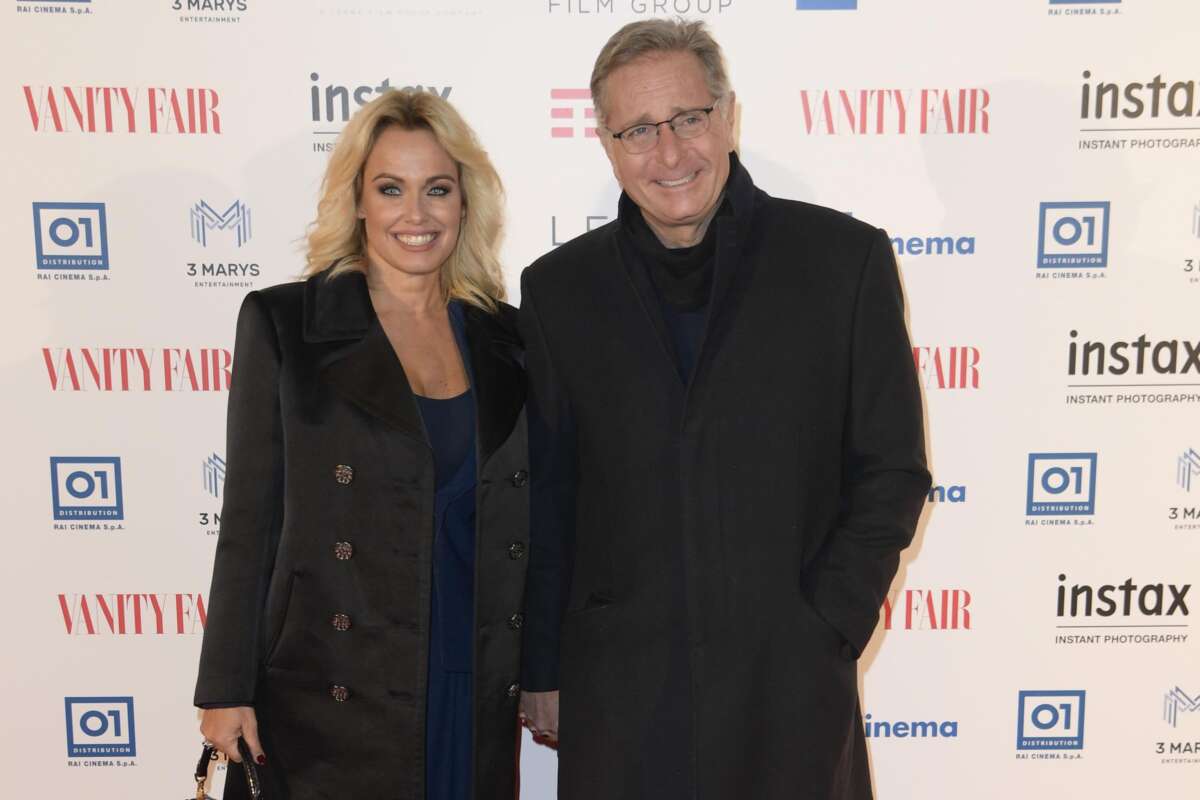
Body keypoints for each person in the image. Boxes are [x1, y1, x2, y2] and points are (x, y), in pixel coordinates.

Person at [517, 19, 931, 800]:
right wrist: (542, 666)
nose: (670, 154)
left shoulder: (842, 261)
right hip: (619, 697)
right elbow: (548, 498)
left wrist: (826, 626)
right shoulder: (558, 290)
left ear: (729, 116)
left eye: (688, 118)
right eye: (639, 130)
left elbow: (892, 471)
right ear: (607, 144)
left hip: (789, 691)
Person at [193, 89, 530, 800]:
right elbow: (249, 522)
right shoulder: (287, 326)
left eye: (437, 189)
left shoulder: (508, 339)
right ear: (357, 202)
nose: (417, 214)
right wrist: (226, 687)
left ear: (465, 202)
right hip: (332, 681)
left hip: (465, 674)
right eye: (390, 189)